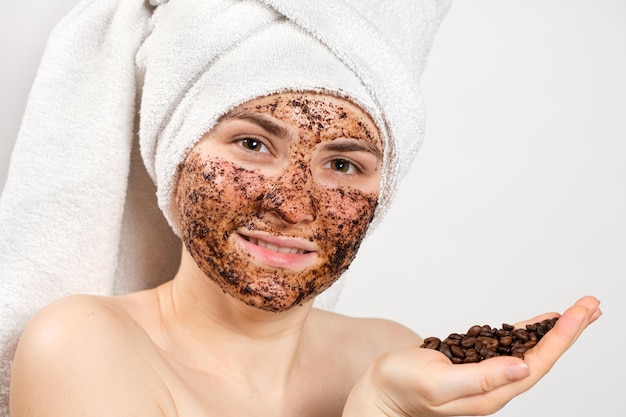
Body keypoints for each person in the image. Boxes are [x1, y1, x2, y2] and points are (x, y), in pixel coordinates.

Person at [1, 0, 601, 416]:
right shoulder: (82, 346)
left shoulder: (393, 352)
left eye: (343, 165)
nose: (293, 204)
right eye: (254, 144)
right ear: (174, 150)